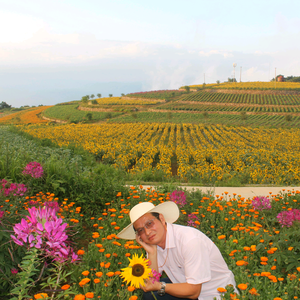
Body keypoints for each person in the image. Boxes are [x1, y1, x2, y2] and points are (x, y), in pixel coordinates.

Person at [117, 201, 238, 300]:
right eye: (140, 230)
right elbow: (152, 281)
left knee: (157, 291)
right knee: (149, 295)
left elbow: (194, 291)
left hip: (214, 294)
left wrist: (160, 286)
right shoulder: (155, 242)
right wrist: (152, 253)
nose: (147, 232)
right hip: (186, 285)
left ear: (161, 218)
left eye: (149, 223)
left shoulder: (190, 241)